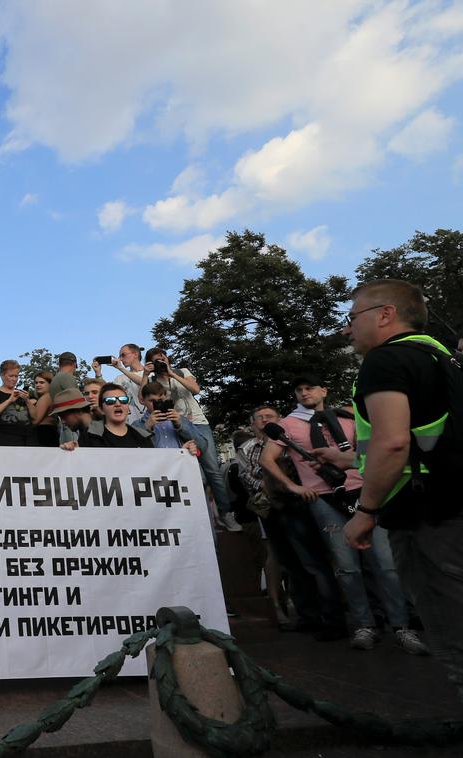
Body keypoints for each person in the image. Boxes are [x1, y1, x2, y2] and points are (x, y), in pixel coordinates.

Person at [341, 279, 463, 700]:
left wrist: (365, 510)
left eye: (353, 317)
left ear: (385, 314)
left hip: (425, 513)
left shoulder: (384, 361)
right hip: (453, 497)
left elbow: (393, 442)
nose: (348, 328)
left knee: (453, 637)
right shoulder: (442, 356)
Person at [261, 376, 426, 654]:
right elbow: (267, 459)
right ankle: (364, 625)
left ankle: (402, 626)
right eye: (299, 390)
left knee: (384, 562)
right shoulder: (288, 424)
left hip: (364, 492)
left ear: (323, 391)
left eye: (309, 388)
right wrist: (294, 486)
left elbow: (375, 445)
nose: (304, 393)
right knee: (346, 566)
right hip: (324, 499)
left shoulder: (348, 416)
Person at [140, 348, 239, 531]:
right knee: (192, 474)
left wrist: (171, 373)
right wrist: (146, 373)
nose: (160, 362)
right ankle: (206, 513)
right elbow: (143, 398)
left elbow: (196, 389)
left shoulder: (182, 371)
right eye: (156, 361)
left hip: (195, 422)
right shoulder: (152, 381)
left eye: (162, 358)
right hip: (169, 424)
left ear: (167, 358)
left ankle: (226, 513)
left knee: (213, 470)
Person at [78, 384, 155, 448]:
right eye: (110, 401)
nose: (118, 404)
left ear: (128, 406)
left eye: (123, 400)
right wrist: (71, 450)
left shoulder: (142, 436)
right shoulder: (89, 436)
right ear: (101, 409)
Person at [93, 345, 148, 423]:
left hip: (149, 420)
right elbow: (107, 392)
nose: (121, 359)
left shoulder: (150, 373)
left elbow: (144, 383)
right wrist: (98, 373)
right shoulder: (119, 378)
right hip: (127, 423)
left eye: (123, 355)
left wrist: (121, 368)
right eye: (119, 356)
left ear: (135, 354)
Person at [0, 360, 33, 446]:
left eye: (16, 376)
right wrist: (9, 401)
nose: (14, 379)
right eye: (11, 376)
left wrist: (28, 401)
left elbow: (35, 417)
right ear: (2, 375)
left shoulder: (22, 394)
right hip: (3, 440)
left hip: (24, 440)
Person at [30, 371, 58, 447]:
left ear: (50, 384)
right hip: (50, 432)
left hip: (43, 433)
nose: (38, 385)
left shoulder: (46, 398)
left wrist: (27, 402)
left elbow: (35, 421)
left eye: (42, 382)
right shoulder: (51, 397)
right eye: (36, 383)